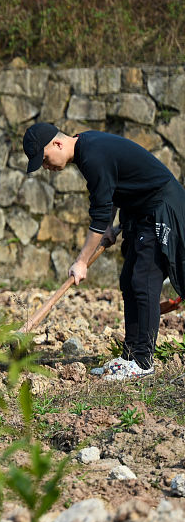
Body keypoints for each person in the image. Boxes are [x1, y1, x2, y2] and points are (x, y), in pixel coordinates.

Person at [23, 122, 185, 380]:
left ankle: (143, 361)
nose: (46, 166)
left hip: (160, 209)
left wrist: (82, 261)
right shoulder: (89, 150)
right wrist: (109, 225)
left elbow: (98, 216)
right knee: (129, 281)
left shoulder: (92, 155)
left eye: (43, 159)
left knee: (143, 281)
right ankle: (130, 356)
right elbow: (108, 195)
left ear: (57, 143)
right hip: (141, 212)